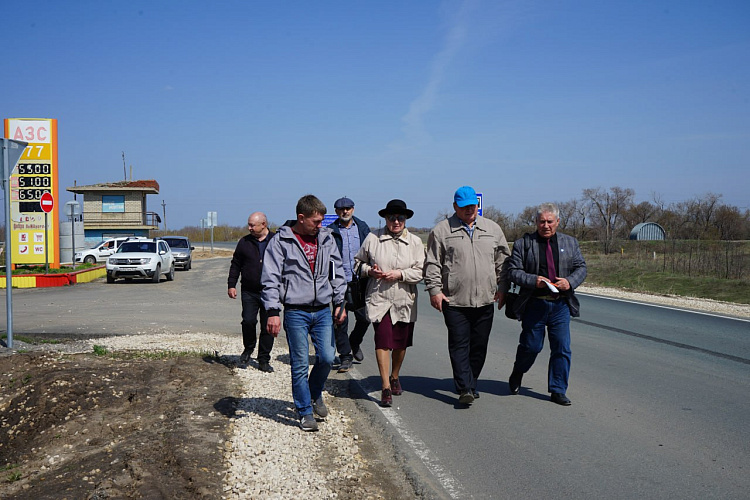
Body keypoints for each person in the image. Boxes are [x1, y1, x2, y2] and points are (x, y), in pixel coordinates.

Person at [261, 195, 347, 432]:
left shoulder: (327, 239)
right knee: (299, 363)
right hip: (295, 311)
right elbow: (270, 278)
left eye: (321, 221)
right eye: (316, 221)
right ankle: (304, 411)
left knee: (328, 357)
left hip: (322, 310)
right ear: (301, 218)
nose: (321, 225)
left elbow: (337, 271)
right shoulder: (281, 241)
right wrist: (272, 311)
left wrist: (340, 302)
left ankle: (314, 391)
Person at [423, 186, 511, 406]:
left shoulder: (492, 229)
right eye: (464, 206)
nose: (470, 209)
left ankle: (470, 382)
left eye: (473, 205)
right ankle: (465, 388)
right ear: (455, 207)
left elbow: (503, 261)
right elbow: (432, 263)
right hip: (454, 301)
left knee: (479, 346)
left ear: (478, 205)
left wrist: (503, 288)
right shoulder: (442, 231)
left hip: (485, 299)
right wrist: (435, 291)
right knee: (459, 344)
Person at [506, 202, 587, 406]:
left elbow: (581, 268)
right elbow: (513, 271)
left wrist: (569, 282)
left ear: (558, 222)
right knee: (531, 347)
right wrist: (534, 280)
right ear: (536, 222)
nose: (546, 225)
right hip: (535, 304)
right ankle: (518, 371)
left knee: (562, 347)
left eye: (550, 221)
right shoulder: (523, 244)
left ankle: (558, 389)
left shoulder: (570, 243)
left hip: (560, 305)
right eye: (542, 221)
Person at [354, 200, 424, 407]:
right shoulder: (373, 238)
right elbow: (357, 263)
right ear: (385, 218)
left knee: (400, 344)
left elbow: (421, 271)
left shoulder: (415, 242)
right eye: (392, 217)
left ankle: (395, 376)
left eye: (400, 218)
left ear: (406, 220)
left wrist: (400, 274)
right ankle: (385, 387)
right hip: (379, 298)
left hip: (404, 300)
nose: (396, 221)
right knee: (383, 341)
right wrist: (370, 271)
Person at [328, 196, 372, 373]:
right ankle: (345, 356)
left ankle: (355, 341)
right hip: (339, 281)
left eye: (348, 208)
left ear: (353, 209)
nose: (344, 211)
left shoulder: (362, 228)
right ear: (337, 211)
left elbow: (371, 251)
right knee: (340, 320)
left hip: (360, 281)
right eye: (341, 209)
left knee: (366, 317)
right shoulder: (330, 231)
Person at [227, 212, 276, 372]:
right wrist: (231, 284)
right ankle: (248, 349)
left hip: (270, 291)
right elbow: (236, 264)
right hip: (249, 290)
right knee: (248, 321)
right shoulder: (244, 242)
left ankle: (263, 359)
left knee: (267, 326)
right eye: (249, 224)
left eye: (252, 225)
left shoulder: (276, 241)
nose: (249, 228)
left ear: (263, 224)